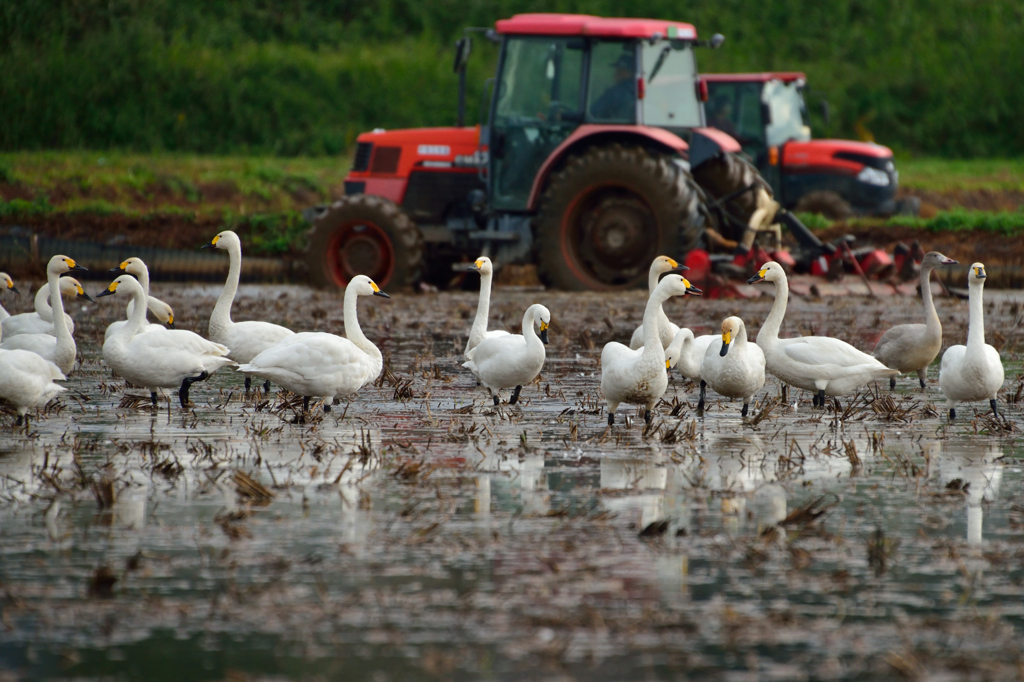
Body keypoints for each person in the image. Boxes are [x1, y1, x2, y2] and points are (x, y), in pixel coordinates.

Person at [590, 53, 636, 121]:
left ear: (627, 73)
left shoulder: (614, 93)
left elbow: (592, 112)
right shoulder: (642, 95)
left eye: (619, 71)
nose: (615, 74)